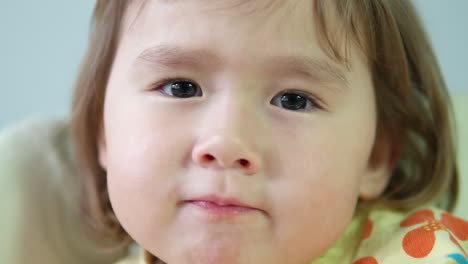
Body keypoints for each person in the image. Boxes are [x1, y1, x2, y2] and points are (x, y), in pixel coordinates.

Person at [69, 0, 467, 263]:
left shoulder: (421, 253)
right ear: (104, 131)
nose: (226, 143)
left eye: (294, 100)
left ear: (376, 155)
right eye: (181, 88)